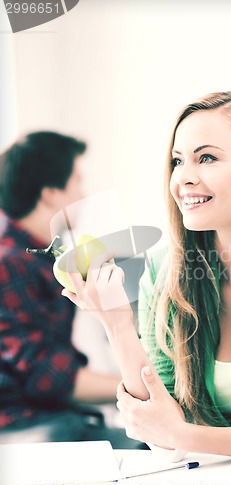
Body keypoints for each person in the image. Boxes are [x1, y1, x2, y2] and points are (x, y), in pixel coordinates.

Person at [62, 92, 231, 463]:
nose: (184, 178)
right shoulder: (164, 272)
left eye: (207, 158)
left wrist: (181, 434)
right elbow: (158, 435)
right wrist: (117, 326)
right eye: (178, 161)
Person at [0, 131, 141, 448]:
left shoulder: (37, 255)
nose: (83, 193)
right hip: (27, 426)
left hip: (50, 419)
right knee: (153, 447)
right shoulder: (10, 264)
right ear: (50, 192)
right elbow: (49, 378)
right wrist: (150, 384)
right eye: (76, 182)